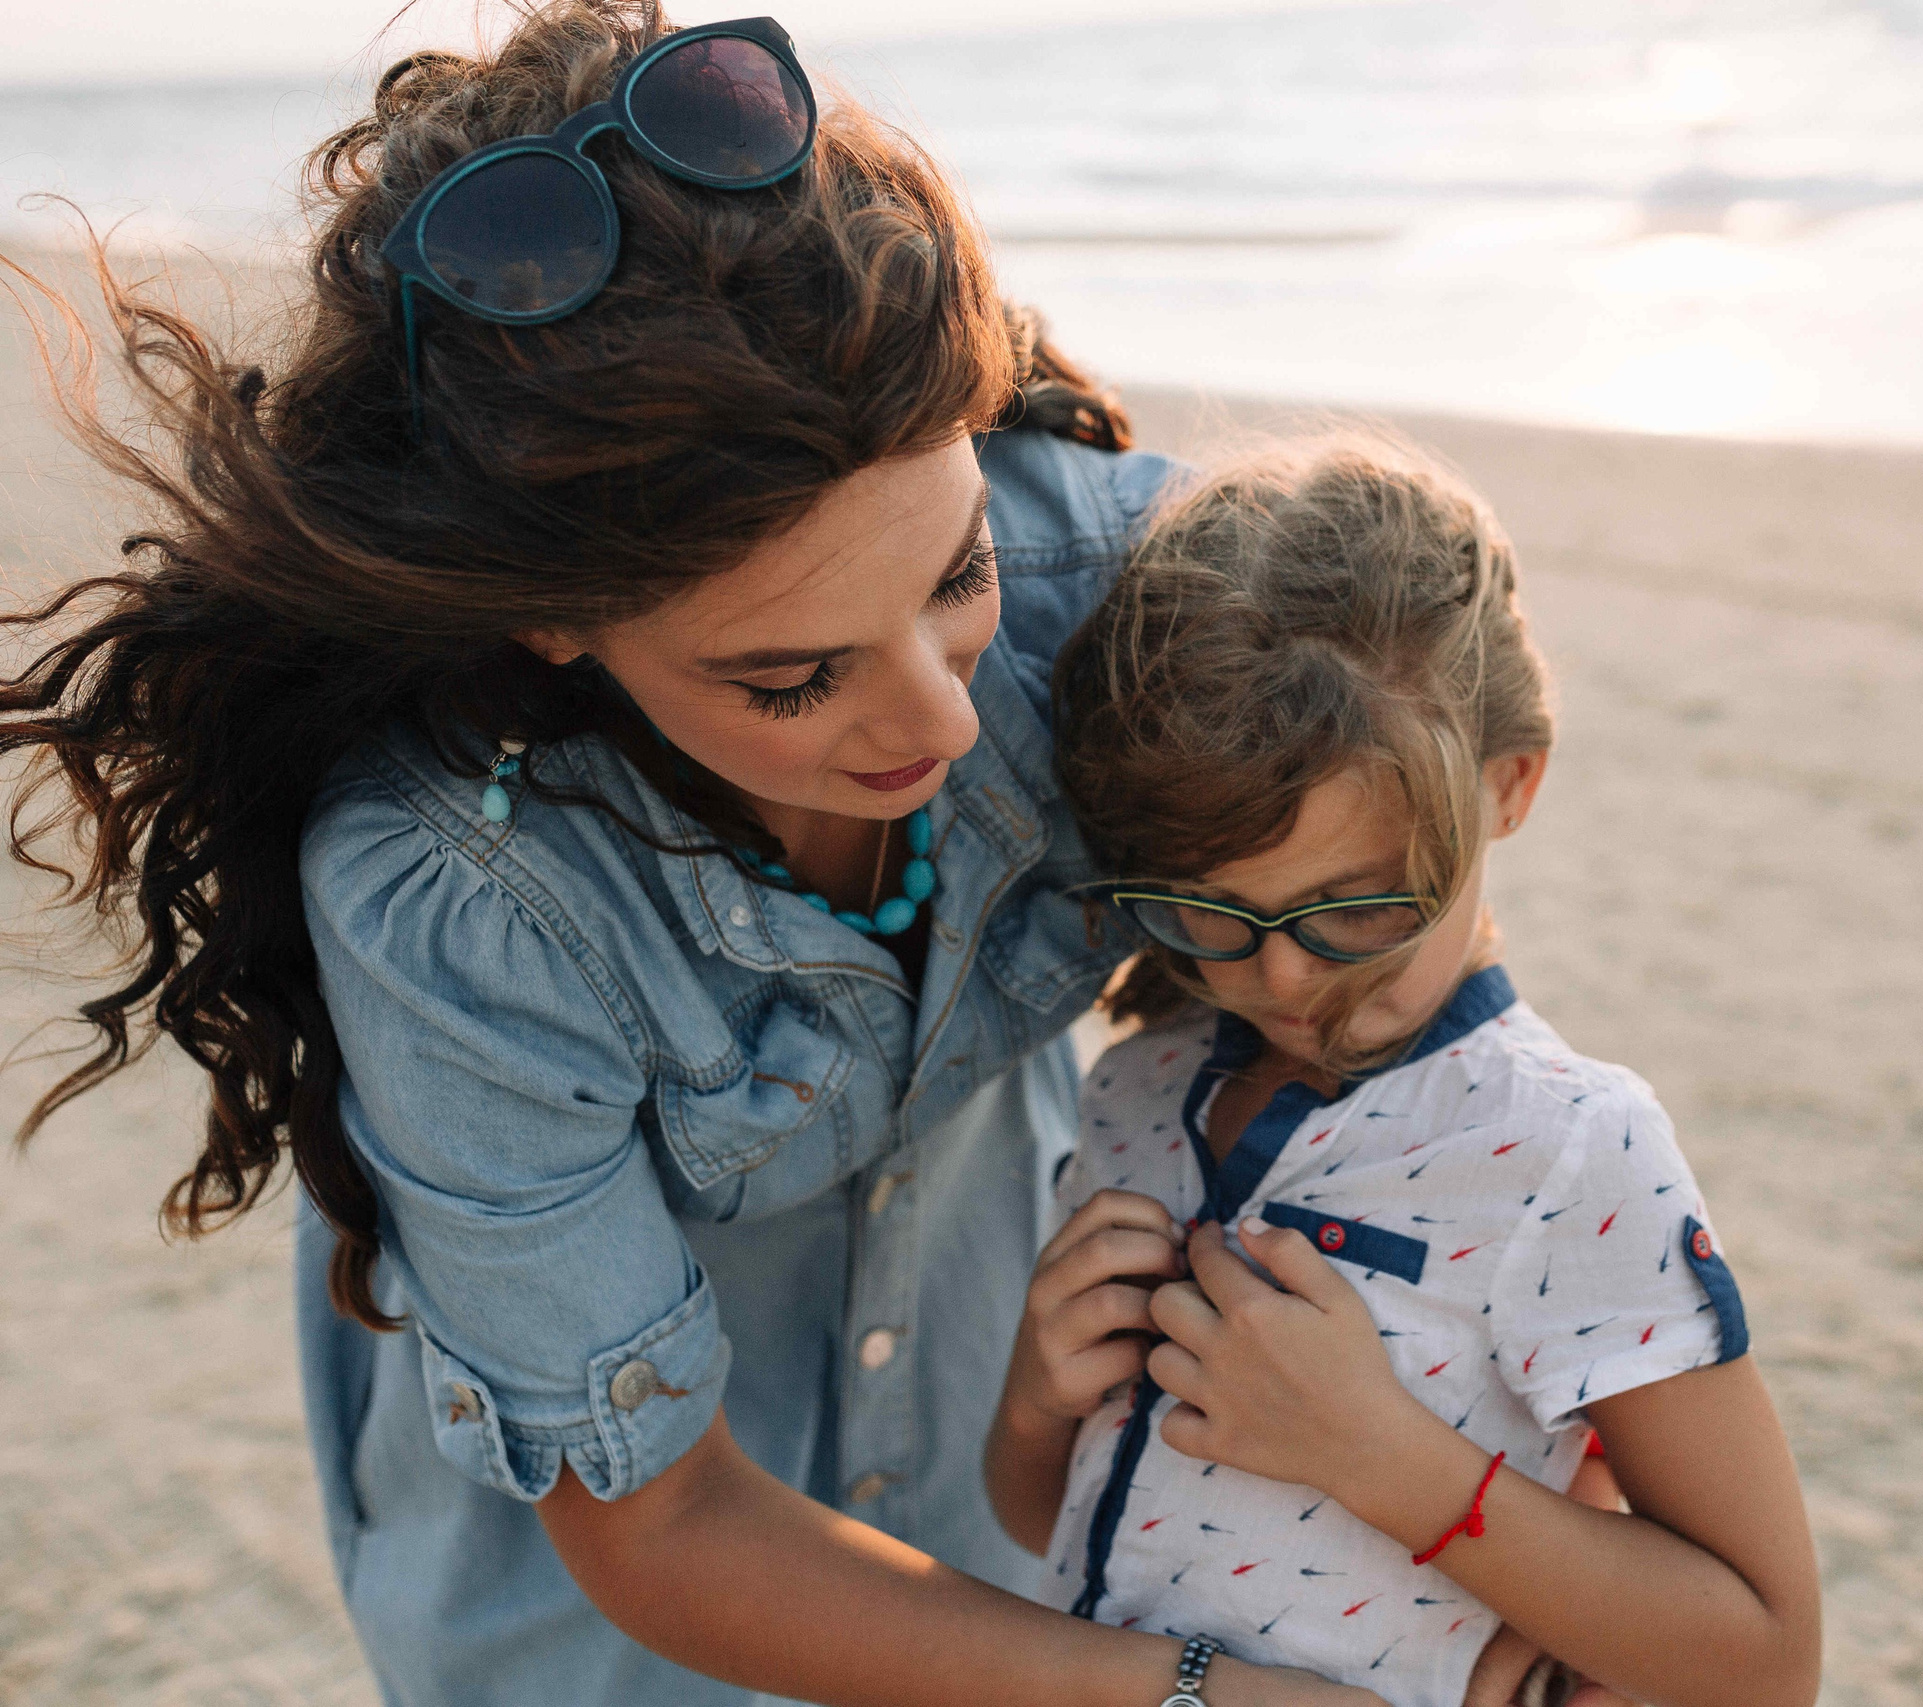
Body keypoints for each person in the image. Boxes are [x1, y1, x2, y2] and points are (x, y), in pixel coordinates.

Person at [0, 6, 1385, 1705]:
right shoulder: (459, 890)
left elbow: (1369, 1008)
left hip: (1004, 1488)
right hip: (615, 1638)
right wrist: (1185, 1691)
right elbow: (660, 1532)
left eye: (956, 575)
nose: (940, 727)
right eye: (791, 675)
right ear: (560, 622)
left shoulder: (1119, 586)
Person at [984, 437, 1824, 1707]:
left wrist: (1382, 1459)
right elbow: (1051, 1514)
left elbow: (1763, 1661)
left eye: (1356, 907)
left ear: (1508, 788)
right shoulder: (1139, 1088)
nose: (1279, 979)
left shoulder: (1573, 1149)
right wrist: (1037, 1400)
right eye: (1208, 913)